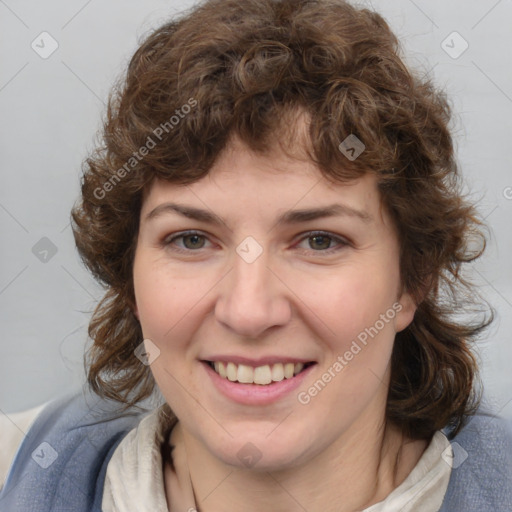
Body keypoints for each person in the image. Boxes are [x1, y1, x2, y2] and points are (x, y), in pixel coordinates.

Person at [1, 0, 511, 510]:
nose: (248, 312)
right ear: (130, 277)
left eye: (319, 241)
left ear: (413, 279)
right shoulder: (16, 469)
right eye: (191, 240)